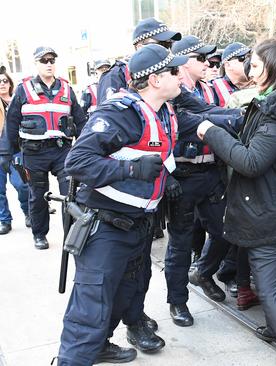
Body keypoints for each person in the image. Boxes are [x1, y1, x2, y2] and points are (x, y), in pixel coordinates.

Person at [196, 38, 276, 366]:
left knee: (272, 293)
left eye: (254, 64)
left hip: (272, 214)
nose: (249, 71)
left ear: (272, 67)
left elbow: (252, 161)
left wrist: (212, 132)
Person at [57, 44, 187, 365]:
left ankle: (100, 344)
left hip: (138, 226)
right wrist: (130, 170)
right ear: (155, 79)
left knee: (125, 295)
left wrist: (166, 179)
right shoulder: (119, 113)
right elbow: (78, 162)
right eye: (174, 71)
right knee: (90, 308)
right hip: (106, 227)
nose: (180, 75)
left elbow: (158, 150)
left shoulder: (162, 110)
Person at [164, 34, 237, 326]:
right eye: (200, 58)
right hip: (182, 177)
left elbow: (217, 113)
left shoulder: (207, 91)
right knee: (180, 243)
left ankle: (203, 272)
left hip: (210, 174)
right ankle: (178, 302)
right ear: (183, 64)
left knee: (225, 231)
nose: (207, 63)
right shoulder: (171, 93)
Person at [0, 47, 86, 249]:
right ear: (36, 63)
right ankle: (39, 234)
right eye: (44, 60)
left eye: (52, 60)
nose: (49, 63)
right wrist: (7, 155)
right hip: (33, 153)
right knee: (38, 195)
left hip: (62, 151)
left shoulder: (66, 89)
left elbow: (81, 122)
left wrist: (86, 148)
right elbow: (11, 124)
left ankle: (71, 235)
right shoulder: (23, 89)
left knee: (70, 194)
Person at [97, 17, 181, 103]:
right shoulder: (114, 76)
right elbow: (109, 113)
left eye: (169, 45)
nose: (167, 51)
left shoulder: (166, 73)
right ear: (140, 48)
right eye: (162, 45)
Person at [0, 67, 29, 235]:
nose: (2, 84)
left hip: (17, 151)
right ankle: (4, 220)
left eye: (5, 81)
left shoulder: (18, 102)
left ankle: (28, 212)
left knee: (22, 186)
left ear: (10, 83)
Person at [210, 42, 252, 107]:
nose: (249, 61)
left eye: (250, 57)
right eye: (243, 58)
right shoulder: (212, 88)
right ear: (227, 65)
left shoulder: (261, 83)